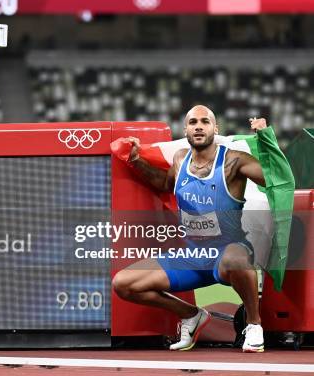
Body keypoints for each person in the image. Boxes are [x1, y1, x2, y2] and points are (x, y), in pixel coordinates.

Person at [112, 105, 266, 352]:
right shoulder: (180, 158)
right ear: (186, 130)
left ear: (215, 129)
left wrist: (266, 140)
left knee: (236, 258)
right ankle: (192, 316)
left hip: (227, 253)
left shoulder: (234, 161)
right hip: (192, 257)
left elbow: (273, 179)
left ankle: (254, 324)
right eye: (193, 122)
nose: (198, 126)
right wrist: (136, 160)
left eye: (205, 122)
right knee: (123, 283)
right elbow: (164, 182)